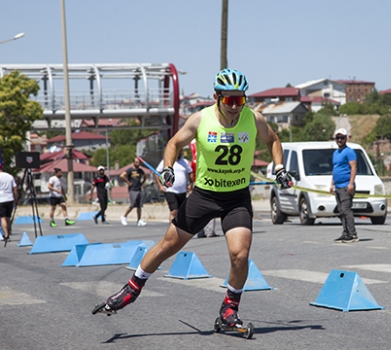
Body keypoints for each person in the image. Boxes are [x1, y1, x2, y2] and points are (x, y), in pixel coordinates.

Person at [95, 68, 292, 329]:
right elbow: (174, 143)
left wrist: (278, 168)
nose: (235, 106)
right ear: (216, 97)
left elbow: (274, 140)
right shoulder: (201, 120)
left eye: (240, 99)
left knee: (240, 254)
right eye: (229, 100)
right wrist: (167, 168)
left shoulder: (253, 119)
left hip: (236, 198)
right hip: (205, 195)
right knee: (168, 246)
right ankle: (132, 288)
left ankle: (229, 310)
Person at [330, 128, 358, 243]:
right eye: (338, 138)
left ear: (346, 138)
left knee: (346, 210)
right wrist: (332, 184)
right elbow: (335, 169)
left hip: (346, 185)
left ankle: (352, 234)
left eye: (342, 137)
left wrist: (351, 183)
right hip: (338, 186)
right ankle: (345, 233)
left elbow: (353, 168)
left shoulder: (349, 151)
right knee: (341, 211)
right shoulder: (335, 153)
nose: (340, 140)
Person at [156, 152, 193, 224]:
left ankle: (180, 227)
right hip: (170, 190)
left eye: (180, 151)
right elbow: (157, 173)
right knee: (174, 211)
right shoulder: (166, 161)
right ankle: (172, 228)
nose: (179, 153)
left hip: (182, 191)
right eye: (177, 151)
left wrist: (190, 184)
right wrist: (160, 186)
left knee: (181, 211)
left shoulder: (184, 162)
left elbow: (190, 172)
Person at [0, 163, 18, 241]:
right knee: (8, 218)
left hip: (1, 199)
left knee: (3, 218)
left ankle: (6, 235)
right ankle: (8, 232)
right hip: (10, 199)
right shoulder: (10, 176)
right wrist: (15, 198)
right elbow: (15, 189)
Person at [120, 158, 146, 227]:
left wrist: (142, 183)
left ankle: (139, 220)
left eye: (138, 162)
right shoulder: (130, 170)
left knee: (139, 206)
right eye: (136, 162)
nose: (138, 164)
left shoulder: (140, 170)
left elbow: (145, 176)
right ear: (133, 162)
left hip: (139, 189)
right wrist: (128, 182)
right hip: (133, 189)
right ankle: (124, 216)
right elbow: (122, 175)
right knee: (132, 204)